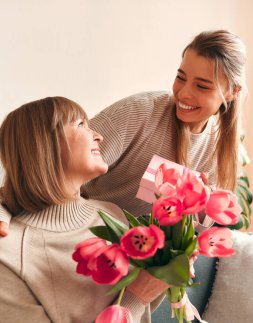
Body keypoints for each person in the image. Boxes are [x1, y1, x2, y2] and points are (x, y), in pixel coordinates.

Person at [0, 29, 247, 232]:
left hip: (137, 254)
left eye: (202, 86)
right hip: (75, 231)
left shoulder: (218, 150)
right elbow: (44, 172)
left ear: (231, 92)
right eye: (180, 77)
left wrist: (200, 208)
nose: (183, 93)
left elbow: (189, 236)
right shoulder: (140, 113)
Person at [0, 97, 173, 323]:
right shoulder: (8, 256)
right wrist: (136, 296)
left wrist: (165, 274)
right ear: (45, 145)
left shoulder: (111, 214)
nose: (98, 135)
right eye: (81, 124)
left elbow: (140, 312)